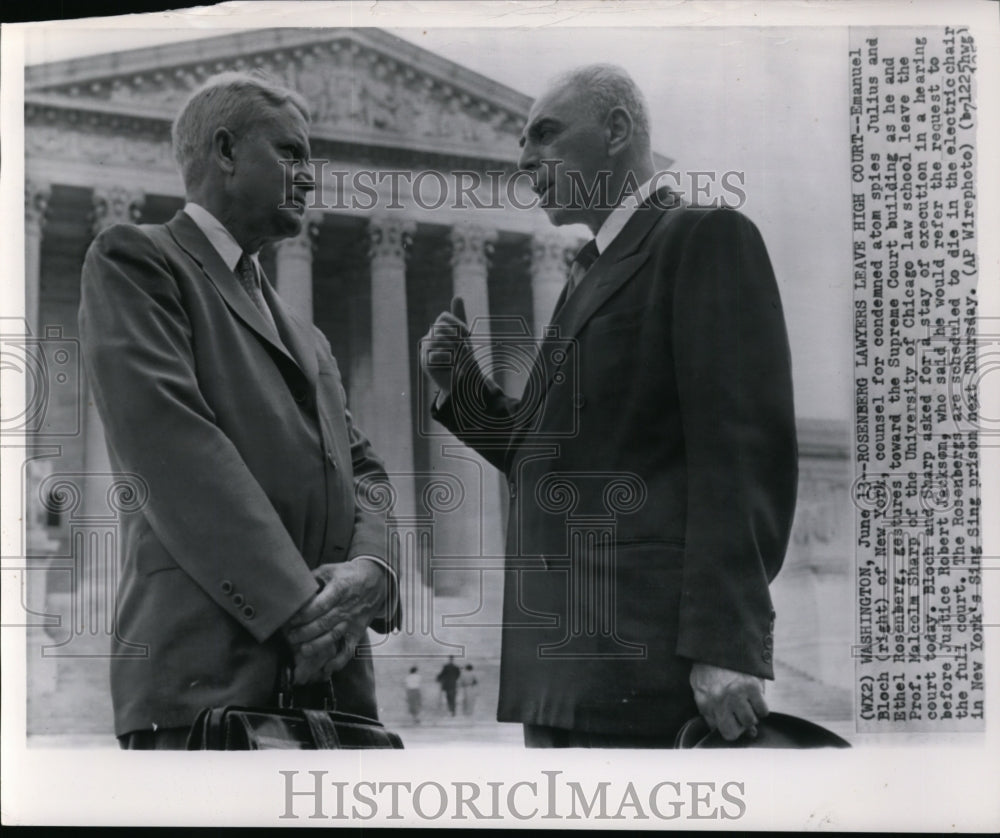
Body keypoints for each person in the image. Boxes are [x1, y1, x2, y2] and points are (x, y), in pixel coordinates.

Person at [420, 64, 797, 747]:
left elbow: (742, 454)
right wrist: (461, 386)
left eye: (546, 134)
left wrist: (726, 642)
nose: (524, 158)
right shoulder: (583, 278)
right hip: (563, 673)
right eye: (521, 141)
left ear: (617, 130)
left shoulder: (701, 238)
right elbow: (542, 455)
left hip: (651, 668)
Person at [79, 72, 400, 749]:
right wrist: (300, 610)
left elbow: (363, 467)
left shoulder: (307, 335)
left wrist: (375, 569)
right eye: (291, 154)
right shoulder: (138, 262)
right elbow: (173, 448)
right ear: (225, 151)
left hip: (335, 687)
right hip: (209, 677)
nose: (310, 178)